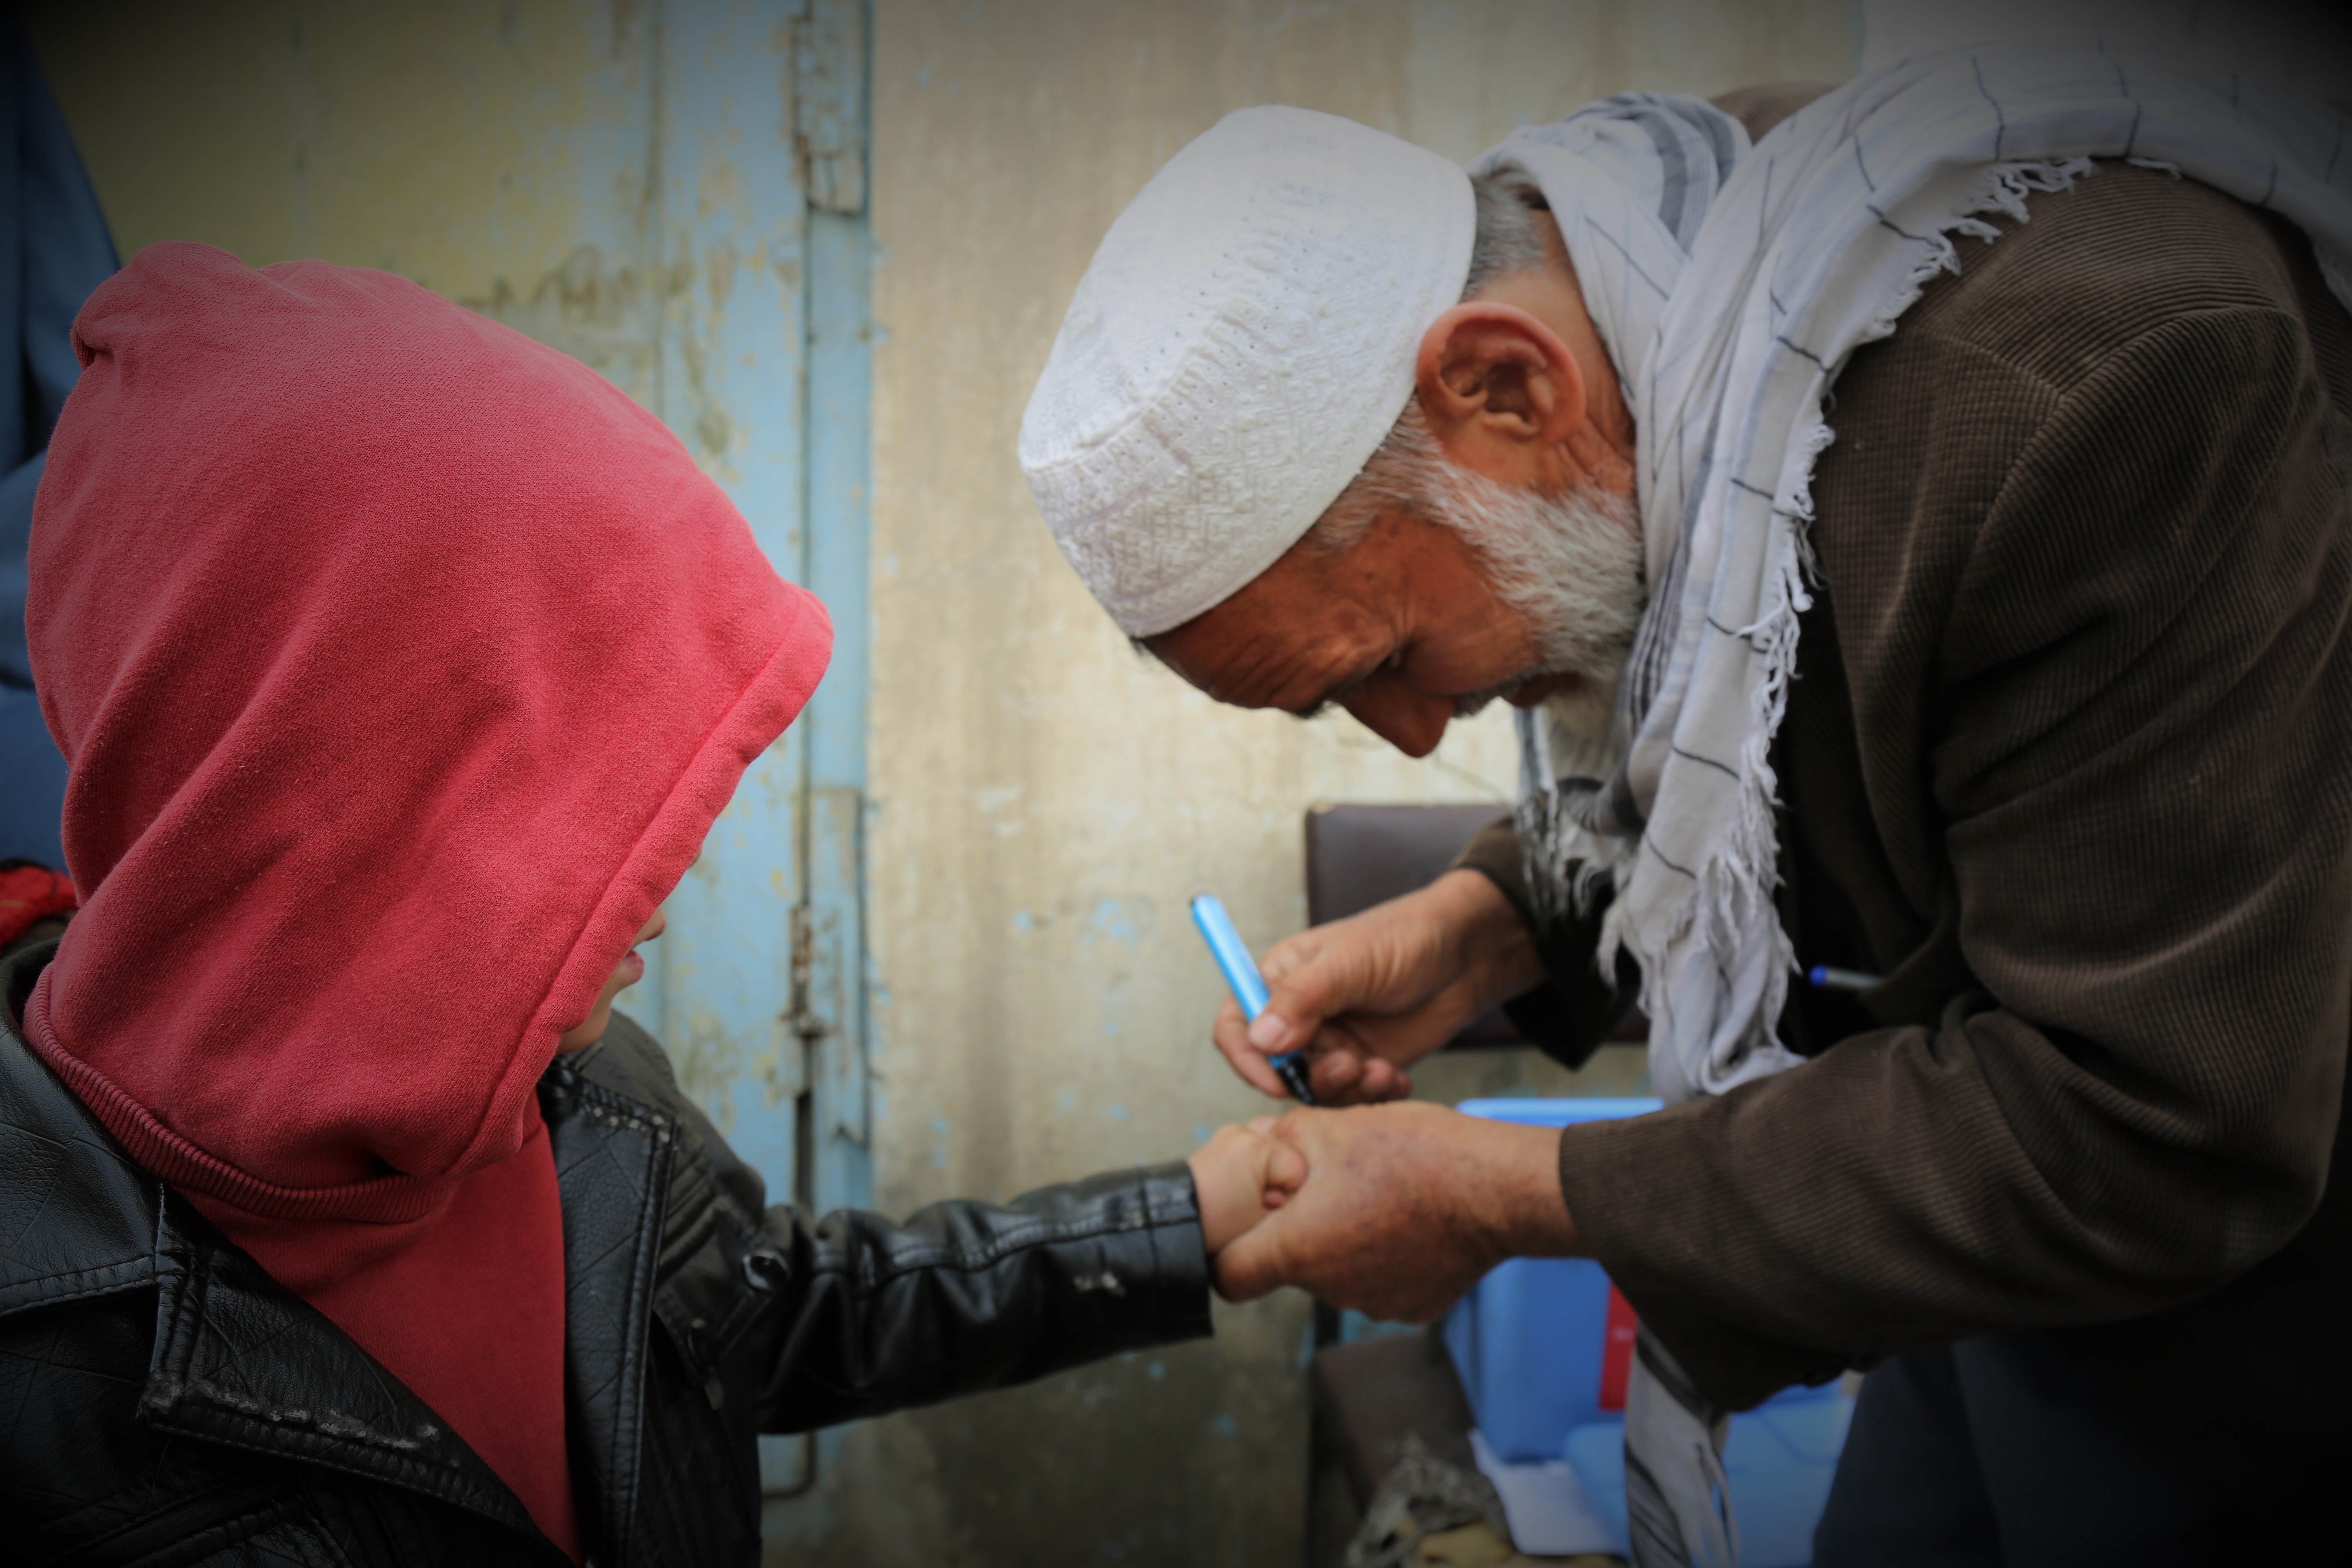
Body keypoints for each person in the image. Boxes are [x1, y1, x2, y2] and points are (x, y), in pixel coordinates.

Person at [1018, 44, 2352, 1565]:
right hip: (1987, 1273)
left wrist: (1515, 1192)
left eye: (1383, 659)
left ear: (1506, 383)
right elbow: (1783, 728)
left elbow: (2155, 1125)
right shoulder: (1660, 277)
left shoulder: (2096, 383)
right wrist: (1491, 926)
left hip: (2259, 1315)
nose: (1403, 739)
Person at [0, 242, 1301, 1566]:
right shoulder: (42, 1359)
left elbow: (768, 1312)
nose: (649, 918)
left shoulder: (577, 1099)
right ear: (334, 806)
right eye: (563, 825)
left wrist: (1189, 1221)